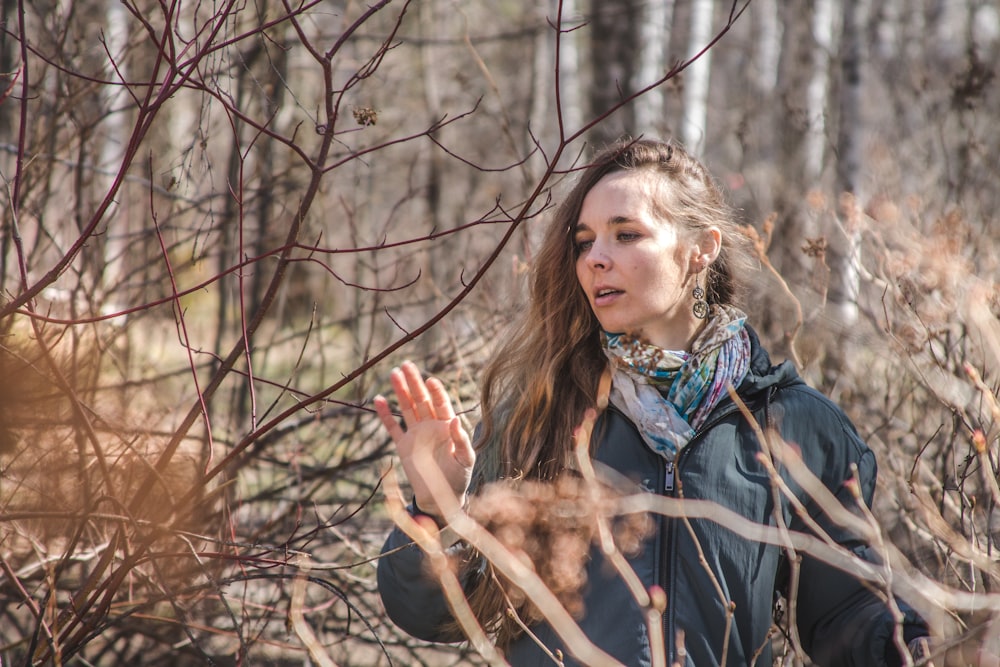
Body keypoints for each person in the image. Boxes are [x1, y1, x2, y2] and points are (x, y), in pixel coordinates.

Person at [374, 138, 931, 666]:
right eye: (584, 241)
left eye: (626, 235)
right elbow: (437, 615)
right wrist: (434, 510)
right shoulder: (541, 412)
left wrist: (924, 650)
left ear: (700, 250)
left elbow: (847, 612)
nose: (596, 258)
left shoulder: (794, 426)